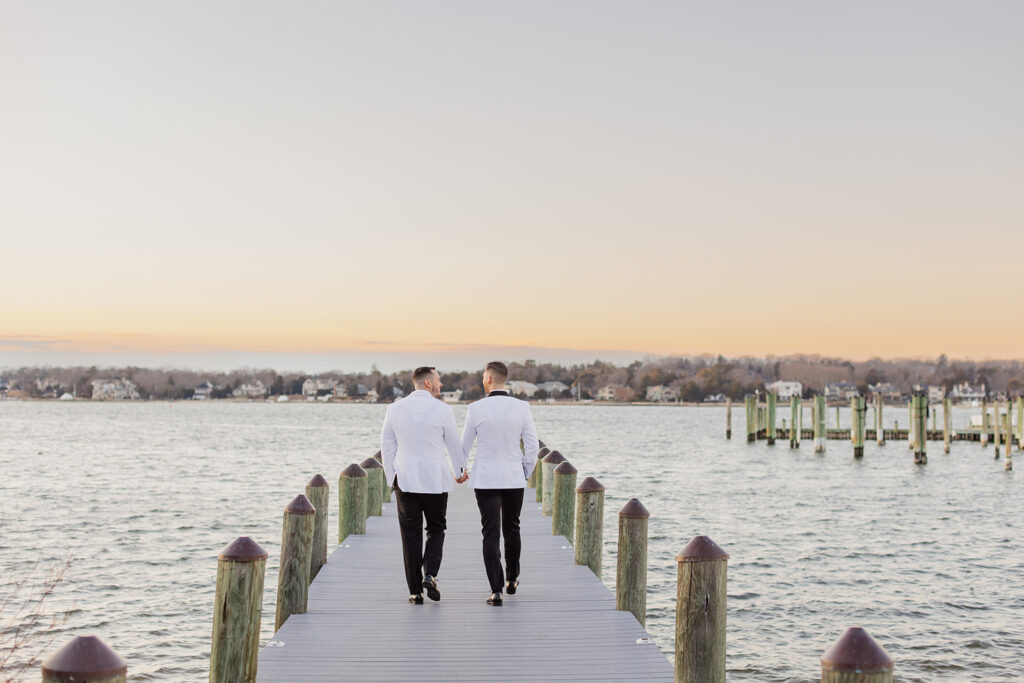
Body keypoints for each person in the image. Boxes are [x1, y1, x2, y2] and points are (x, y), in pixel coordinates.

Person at [381, 366, 468, 604]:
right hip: (435, 480)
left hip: (405, 479)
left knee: (410, 535)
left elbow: (387, 447)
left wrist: (392, 478)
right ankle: (429, 573)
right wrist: (460, 471)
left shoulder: (394, 409)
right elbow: (453, 444)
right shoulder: (443, 410)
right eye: (438, 380)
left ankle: (415, 592)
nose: (441, 385)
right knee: (436, 528)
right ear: (428, 383)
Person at [461, 361, 539, 605]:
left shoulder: (475, 409)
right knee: (512, 527)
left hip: (485, 479)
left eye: (484, 378)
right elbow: (533, 446)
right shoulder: (522, 408)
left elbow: (464, 446)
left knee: (490, 533)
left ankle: (495, 590)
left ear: (489, 379)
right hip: (513, 477)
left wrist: (460, 471)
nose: (483, 381)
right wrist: (524, 471)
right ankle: (512, 577)